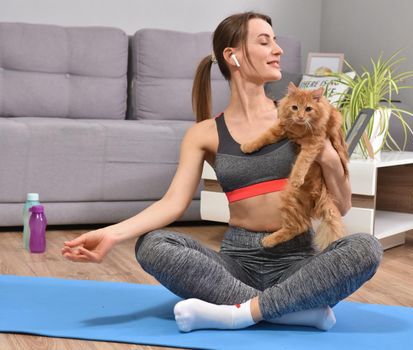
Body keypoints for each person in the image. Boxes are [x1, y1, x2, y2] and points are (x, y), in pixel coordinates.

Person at [61, 11, 383, 333]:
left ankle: (240, 313)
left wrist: (326, 154)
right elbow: (173, 203)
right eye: (264, 41)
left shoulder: (302, 116)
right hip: (236, 264)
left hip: (297, 260)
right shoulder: (204, 134)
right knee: (152, 245)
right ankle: (289, 309)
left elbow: (341, 206)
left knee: (366, 248)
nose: (278, 49)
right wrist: (112, 233)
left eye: (275, 40)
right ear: (233, 56)